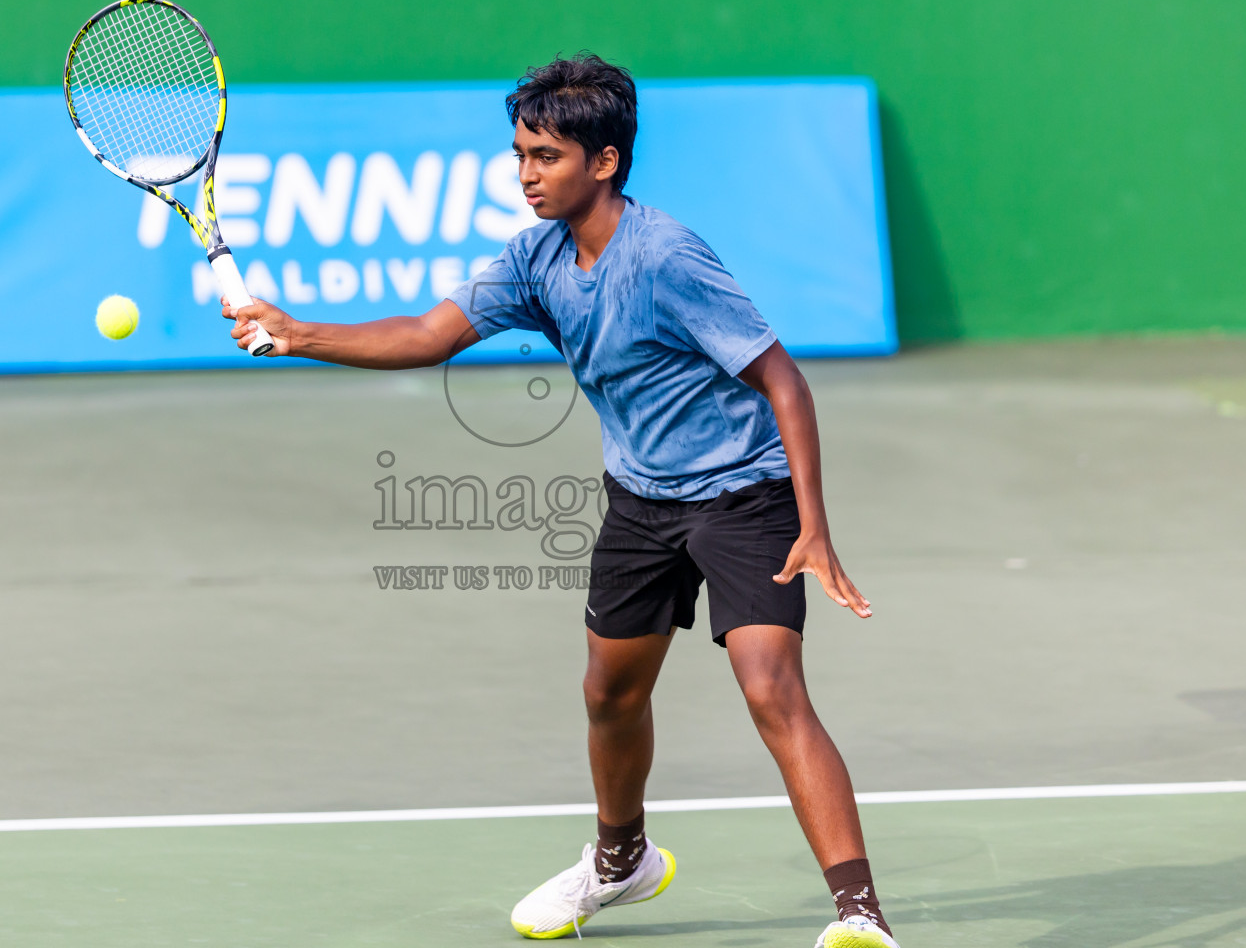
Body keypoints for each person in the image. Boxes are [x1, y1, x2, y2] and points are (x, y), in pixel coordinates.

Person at [224, 53, 898, 948]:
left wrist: (813, 523)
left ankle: (860, 916)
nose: (526, 174)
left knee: (772, 689)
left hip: (743, 496)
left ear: (605, 162)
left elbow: (783, 379)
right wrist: (298, 331)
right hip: (642, 502)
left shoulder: (666, 257)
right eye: (519, 155)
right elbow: (429, 335)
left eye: (545, 156)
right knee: (609, 696)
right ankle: (621, 862)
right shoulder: (535, 258)